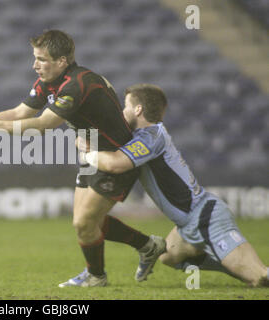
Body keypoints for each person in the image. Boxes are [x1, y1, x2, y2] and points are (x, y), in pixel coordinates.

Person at [0, 30, 166, 287]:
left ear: (62, 61)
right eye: (35, 58)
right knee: (87, 224)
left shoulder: (77, 84)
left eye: (41, 59)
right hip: (91, 154)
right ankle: (147, 245)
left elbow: (45, 124)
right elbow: (21, 111)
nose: (35, 65)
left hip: (115, 156)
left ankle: (97, 276)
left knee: (83, 223)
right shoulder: (48, 81)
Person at [78, 83, 269, 287]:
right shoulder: (142, 137)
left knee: (260, 277)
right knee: (168, 256)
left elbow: (116, 164)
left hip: (205, 217)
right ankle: (232, 264)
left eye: (126, 106)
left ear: (138, 109)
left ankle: (244, 268)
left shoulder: (151, 136)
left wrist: (88, 153)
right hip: (186, 226)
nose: (123, 112)